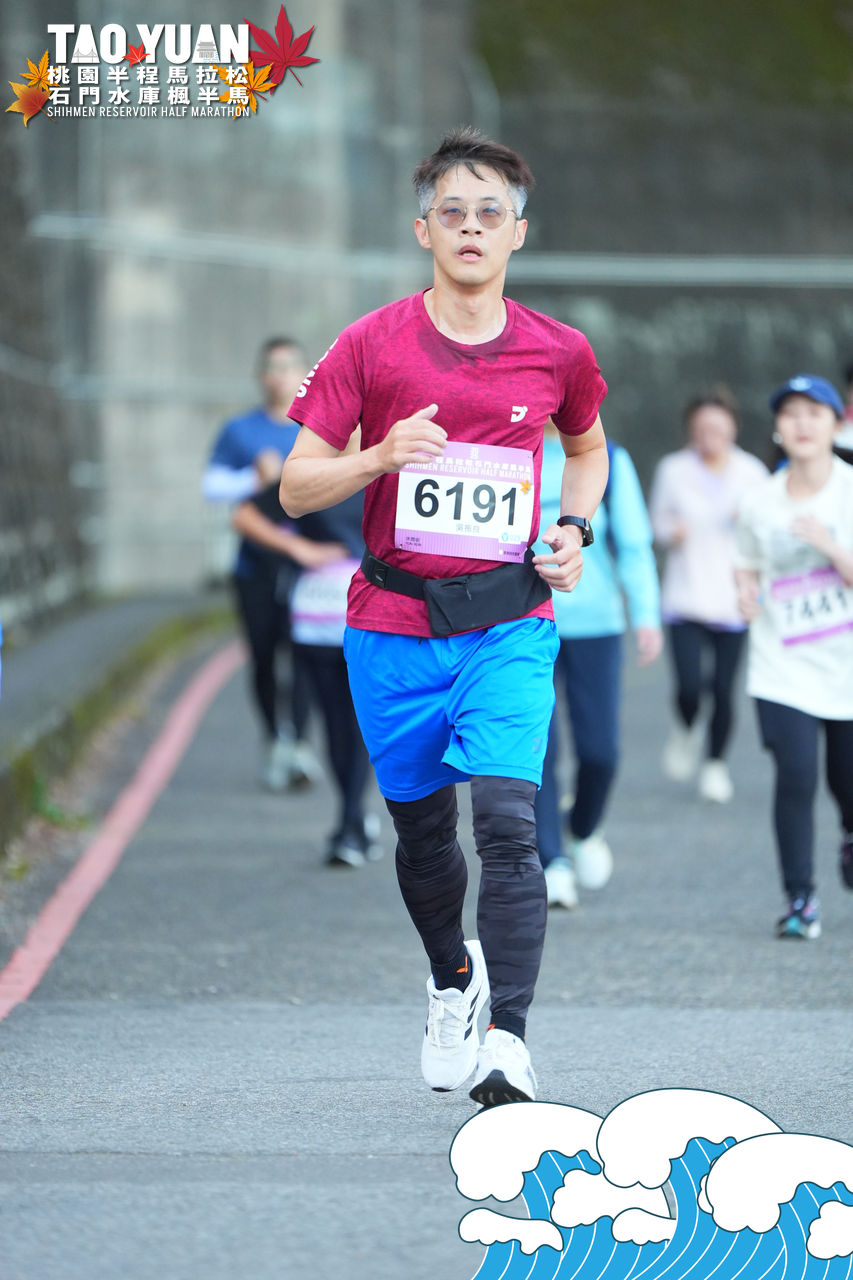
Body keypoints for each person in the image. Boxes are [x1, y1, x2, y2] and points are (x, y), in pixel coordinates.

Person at [280, 126, 608, 1106]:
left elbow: (586, 448)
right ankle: (450, 978)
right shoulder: (369, 343)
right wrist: (379, 456)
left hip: (508, 622)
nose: (471, 228)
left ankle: (508, 1040)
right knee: (424, 837)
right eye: (452, 212)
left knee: (507, 822)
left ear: (517, 233)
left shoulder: (559, 350)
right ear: (423, 229)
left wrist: (574, 528)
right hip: (391, 624)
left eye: (489, 213)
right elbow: (296, 486)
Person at [734, 374, 853, 940]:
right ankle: (800, 899)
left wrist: (829, 546)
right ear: (778, 428)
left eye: (815, 413)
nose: (803, 424)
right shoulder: (760, 501)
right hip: (781, 666)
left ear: (836, 424)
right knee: (796, 777)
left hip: (846, 668)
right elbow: (745, 561)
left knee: (846, 783)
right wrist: (744, 591)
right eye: (791, 414)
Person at [534, 433, 662, 908]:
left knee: (601, 752)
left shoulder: (609, 457)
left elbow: (634, 544)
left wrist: (646, 615)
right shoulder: (510, 446)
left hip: (597, 625)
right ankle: (551, 860)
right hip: (524, 625)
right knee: (537, 748)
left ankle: (584, 829)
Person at [230, 476, 381, 868]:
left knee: (358, 722)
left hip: (373, 614)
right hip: (319, 615)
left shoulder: (397, 464)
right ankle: (352, 821)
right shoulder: (313, 471)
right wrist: (300, 548)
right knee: (337, 722)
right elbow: (244, 516)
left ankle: (351, 823)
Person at [203, 338, 322, 791]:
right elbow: (212, 487)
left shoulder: (319, 429)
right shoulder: (240, 430)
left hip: (309, 568)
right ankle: (274, 737)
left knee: (307, 656)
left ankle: (301, 744)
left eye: (289, 366)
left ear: (306, 373)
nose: (281, 375)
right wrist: (253, 478)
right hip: (255, 567)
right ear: (260, 375)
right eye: (272, 366)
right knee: (264, 658)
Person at [649, 393, 767, 803]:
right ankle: (685, 728)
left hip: (733, 600)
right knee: (688, 686)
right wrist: (671, 532)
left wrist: (748, 523)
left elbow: (768, 530)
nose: (709, 435)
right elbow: (657, 522)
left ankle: (715, 764)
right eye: (701, 428)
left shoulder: (752, 473)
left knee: (722, 688)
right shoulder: (673, 469)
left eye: (717, 427)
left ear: (733, 428)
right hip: (685, 597)